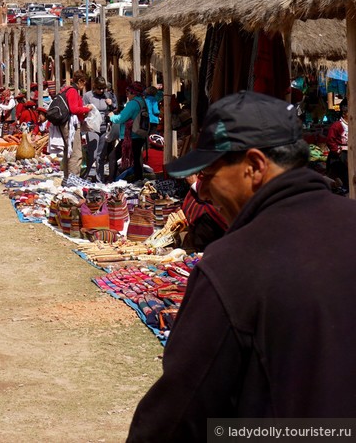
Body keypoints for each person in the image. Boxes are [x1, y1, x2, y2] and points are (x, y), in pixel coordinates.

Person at [128, 91, 356, 442]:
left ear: (253, 166)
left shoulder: (233, 266)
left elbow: (178, 415)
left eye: (207, 174)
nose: (202, 191)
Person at [48, 71, 92, 185]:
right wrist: (87, 109)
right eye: (84, 82)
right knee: (76, 154)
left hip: (68, 124)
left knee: (69, 152)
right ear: (80, 81)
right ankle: (73, 181)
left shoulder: (68, 90)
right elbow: (73, 109)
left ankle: (67, 180)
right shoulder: (72, 91)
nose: (84, 86)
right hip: (70, 125)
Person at [108, 81, 150, 183]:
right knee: (137, 157)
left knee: (113, 156)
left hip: (131, 136)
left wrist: (112, 117)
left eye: (128, 93)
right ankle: (138, 179)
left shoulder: (132, 104)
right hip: (140, 134)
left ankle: (111, 180)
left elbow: (122, 118)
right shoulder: (142, 101)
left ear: (133, 93)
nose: (127, 96)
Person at [83, 76, 117, 181]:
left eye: (103, 88)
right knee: (92, 155)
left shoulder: (108, 95)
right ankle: (84, 176)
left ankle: (100, 179)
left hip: (104, 127)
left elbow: (115, 108)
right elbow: (82, 109)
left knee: (101, 156)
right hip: (92, 128)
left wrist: (111, 104)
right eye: (99, 88)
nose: (101, 91)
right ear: (94, 87)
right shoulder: (88, 95)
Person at [326, 102, 349, 192]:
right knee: (342, 175)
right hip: (340, 155)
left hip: (350, 153)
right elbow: (330, 140)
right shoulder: (337, 125)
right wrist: (338, 151)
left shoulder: (352, 124)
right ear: (344, 114)